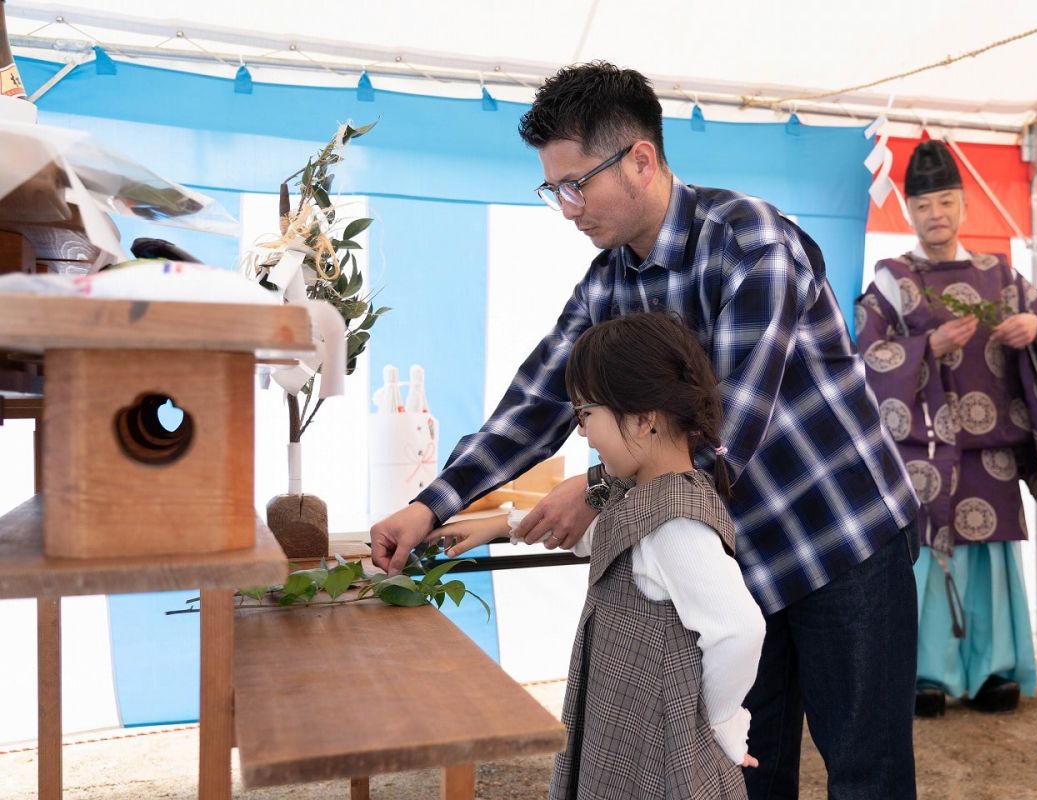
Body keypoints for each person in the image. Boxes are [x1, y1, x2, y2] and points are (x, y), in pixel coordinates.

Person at [371, 61, 920, 799]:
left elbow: (727, 427)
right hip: (739, 560)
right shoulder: (607, 284)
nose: (567, 208)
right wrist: (430, 505)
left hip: (840, 539)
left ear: (640, 159)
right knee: (744, 773)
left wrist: (597, 489)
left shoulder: (749, 242)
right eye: (553, 189)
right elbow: (534, 404)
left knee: (867, 774)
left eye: (576, 185)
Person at [442, 312, 766, 799]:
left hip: (661, 751)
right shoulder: (639, 497)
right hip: (628, 733)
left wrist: (722, 718)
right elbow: (605, 539)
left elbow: (740, 630)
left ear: (642, 417)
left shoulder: (677, 521)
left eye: (586, 414)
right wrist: (498, 526)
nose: (582, 433)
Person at [855, 140, 1037, 718]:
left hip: (990, 455)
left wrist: (1032, 328)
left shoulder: (1001, 276)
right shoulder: (893, 280)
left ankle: (992, 671)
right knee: (920, 566)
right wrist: (926, 347)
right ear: (908, 211)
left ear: (963, 204)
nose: (935, 214)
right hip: (921, 452)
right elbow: (863, 358)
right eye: (923, 205)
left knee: (989, 564)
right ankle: (921, 676)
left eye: (945, 201)